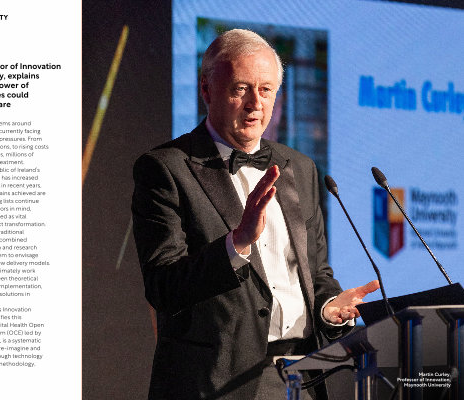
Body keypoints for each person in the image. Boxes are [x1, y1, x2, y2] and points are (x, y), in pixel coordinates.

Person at [131, 29, 379, 400]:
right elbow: (163, 287)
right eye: (240, 89)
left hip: (304, 376)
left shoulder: (300, 167)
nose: (255, 104)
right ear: (206, 90)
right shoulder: (166, 169)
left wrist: (329, 308)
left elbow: (316, 273)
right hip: (216, 383)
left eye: (266, 90)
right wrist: (236, 244)